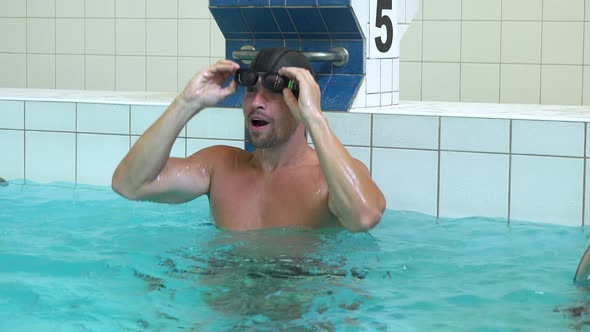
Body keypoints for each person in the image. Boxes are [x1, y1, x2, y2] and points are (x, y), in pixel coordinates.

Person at [112, 47, 386, 232]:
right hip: (228, 305)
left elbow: (364, 217)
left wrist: (314, 119)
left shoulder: (331, 180)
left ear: (300, 102)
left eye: (273, 93)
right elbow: (129, 184)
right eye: (251, 90)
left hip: (300, 309)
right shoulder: (219, 166)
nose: (256, 102)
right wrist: (186, 103)